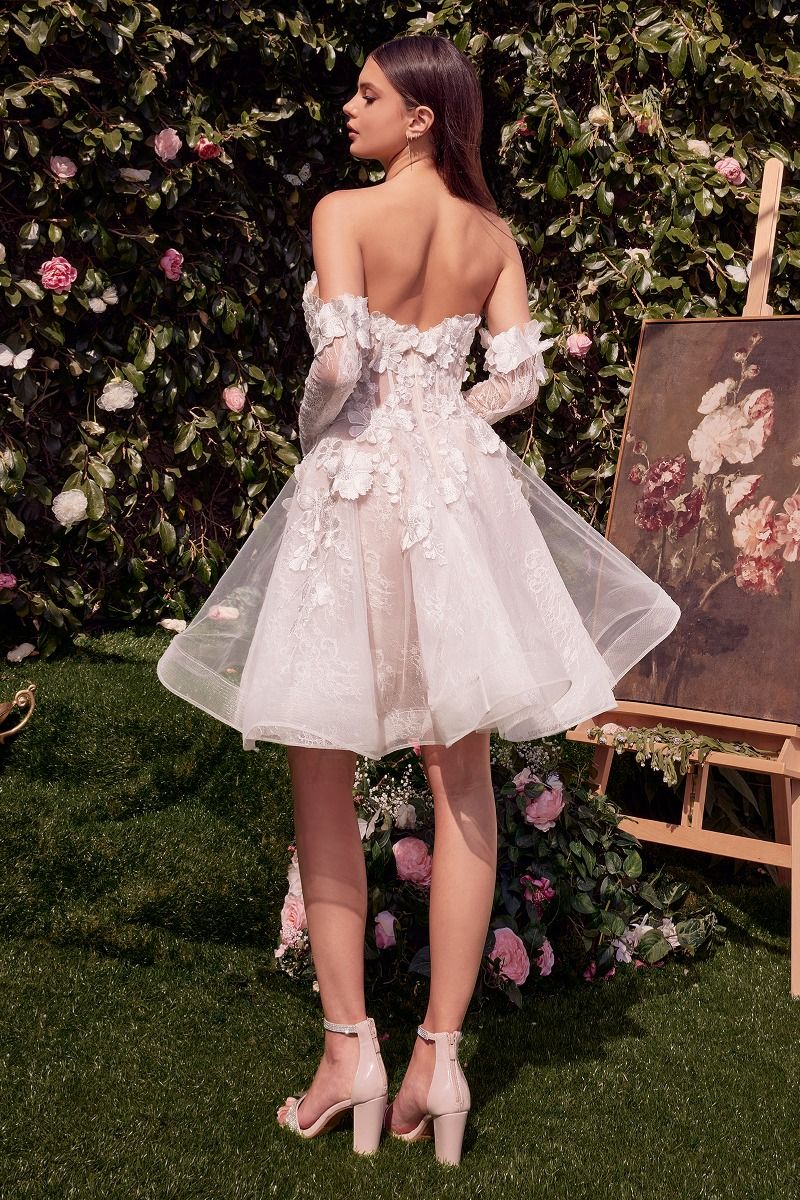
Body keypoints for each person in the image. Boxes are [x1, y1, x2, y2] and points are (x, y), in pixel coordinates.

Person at [156, 34, 680, 1165]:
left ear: (421, 117)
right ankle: (439, 1060)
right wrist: (445, 424)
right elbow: (521, 378)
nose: (348, 109)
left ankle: (349, 1053)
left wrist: (322, 442)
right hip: (452, 502)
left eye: (367, 93)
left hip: (356, 492)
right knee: (463, 775)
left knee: (321, 764)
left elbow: (341, 367)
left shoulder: (343, 213)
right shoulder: (492, 237)